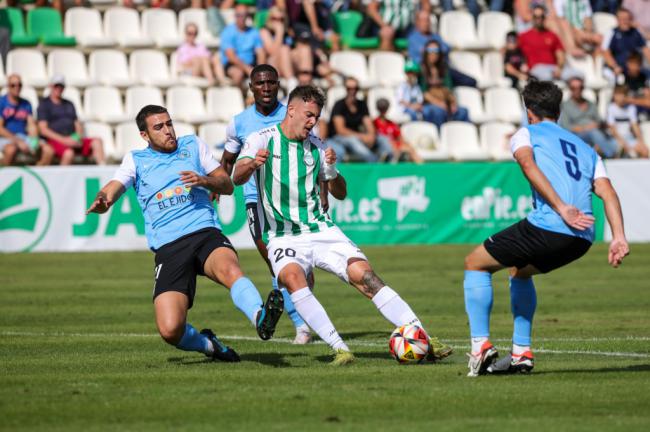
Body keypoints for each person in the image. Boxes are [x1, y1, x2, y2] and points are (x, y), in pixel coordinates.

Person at [232, 84, 452, 365]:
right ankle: (340, 349)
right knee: (292, 278)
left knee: (366, 276)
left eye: (317, 117)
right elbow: (236, 178)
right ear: (291, 110)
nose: (313, 122)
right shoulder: (261, 140)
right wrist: (251, 165)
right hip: (283, 236)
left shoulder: (318, 147)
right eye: (309, 115)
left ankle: (423, 337)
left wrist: (333, 171)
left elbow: (340, 192)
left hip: (321, 230)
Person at [86, 105, 285, 362]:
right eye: (159, 127)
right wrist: (105, 199)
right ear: (144, 135)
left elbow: (226, 184)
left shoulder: (192, 146)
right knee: (170, 330)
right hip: (169, 247)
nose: (168, 130)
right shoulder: (136, 160)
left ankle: (261, 318)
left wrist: (205, 181)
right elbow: (114, 186)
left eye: (169, 123)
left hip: (204, 232)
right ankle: (209, 345)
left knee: (230, 270)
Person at [462, 80, 629, 377]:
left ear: (529, 111)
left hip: (551, 225)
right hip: (582, 238)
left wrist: (561, 207)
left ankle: (480, 346)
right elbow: (608, 192)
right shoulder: (585, 148)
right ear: (559, 110)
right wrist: (618, 237)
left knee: (475, 263)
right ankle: (521, 354)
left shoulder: (526, 133)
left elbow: (527, 165)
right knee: (520, 272)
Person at [220, 64, 312, 345]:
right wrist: (218, 185)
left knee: (298, 265)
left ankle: (303, 317)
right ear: (251, 87)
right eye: (260, 83)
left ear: (278, 84)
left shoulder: (291, 115)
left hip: (288, 198)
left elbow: (312, 152)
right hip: (255, 199)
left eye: (271, 82)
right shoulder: (238, 123)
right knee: (274, 260)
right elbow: (227, 160)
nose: (266, 88)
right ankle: (301, 325)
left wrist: (322, 193)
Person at [37, 75, 105, 165]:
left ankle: (103, 173)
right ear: (51, 86)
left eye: (61, 86)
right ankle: (62, 178)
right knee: (68, 153)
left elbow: (77, 124)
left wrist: (77, 137)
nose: (59, 88)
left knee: (97, 142)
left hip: (70, 139)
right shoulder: (44, 104)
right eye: (56, 86)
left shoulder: (69, 104)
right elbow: (44, 130)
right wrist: (65, 140)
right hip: (55, 141)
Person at [326, 77, 394, 162]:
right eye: (349, 89)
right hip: (338, 138)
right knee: (353, 141)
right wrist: (362, 136)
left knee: (383, 139)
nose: (352, 91)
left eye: (355, 88)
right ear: (345, 89)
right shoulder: (339, 105)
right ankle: (375, 162)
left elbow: (369, 124)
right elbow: (341, 130)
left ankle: (389, 162)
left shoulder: (361, 104)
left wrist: (371, 136)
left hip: (356, 136)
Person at [0, 74, 54, 166]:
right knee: (11, 150)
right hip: (6, 138)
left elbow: (31, 124)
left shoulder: (26, 103)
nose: (17, 87)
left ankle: (35, 176)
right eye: (13, 85)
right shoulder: (2, 102)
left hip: (23, 137)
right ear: (8, 87)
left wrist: (34, 140)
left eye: (19, 85)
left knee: (48, 151)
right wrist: (17, 141)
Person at [559, 76, 618, 157]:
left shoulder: (590, 103)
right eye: (573, 88)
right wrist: (586, 128)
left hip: (596, 133)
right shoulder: (565, 106)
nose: (577, 90)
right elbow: (566, 127)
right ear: (570, 89)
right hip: (577, 136)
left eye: (580, 87)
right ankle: (612, 154)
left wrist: (597, 125)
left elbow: (599, 121)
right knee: (593, 133)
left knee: (612, 137)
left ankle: (613, 150)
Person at [420, 40, 471, 129]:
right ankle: (440, 136)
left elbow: (449, 89)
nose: (433, 53)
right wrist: (438, 103)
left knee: (463, 111)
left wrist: (453, 103)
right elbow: (423, 92)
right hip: (429, 104)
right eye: (430, 50)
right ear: (426, 52)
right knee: (438, 112)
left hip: (445, 102)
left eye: (436, 50)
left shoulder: (444, 69)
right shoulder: (421, 70)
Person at [518, 5, 577, 81]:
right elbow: (515, 54)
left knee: (578, 76)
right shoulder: (523, 36)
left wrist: (559, 68)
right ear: (532, 17)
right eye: (536, 16)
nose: (538, 19)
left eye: (541, 16)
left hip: (553, 69)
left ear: (544, 18)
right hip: (536, 69)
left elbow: (561, 56)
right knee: (545, 77)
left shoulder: (552, 35)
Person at [219, 3, 266, 86]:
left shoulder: (254, 31)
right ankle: (237, 96)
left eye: (243, 15)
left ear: (247, 16)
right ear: (235, 16)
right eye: (238, 15)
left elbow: (261, 53)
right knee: (238, 74)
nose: (241, 18)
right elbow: (231, 56)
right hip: (233, 64)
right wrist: (248, 69)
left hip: (251, 64)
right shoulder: (228, 31)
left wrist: (259, 70)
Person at [601, 8, 650, 82]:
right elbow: (605, 52)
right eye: (623, 19)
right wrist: (615, 67)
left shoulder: (636, 32)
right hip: (616, 69)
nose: (626, 21)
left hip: (634, 69)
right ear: (617, 20)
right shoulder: (611, 32)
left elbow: (646, 50)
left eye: (628, 19)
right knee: (619, 80)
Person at [366, 0, 430, 51]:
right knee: (387, 33)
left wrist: (421, 19)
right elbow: (371, 9)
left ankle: (418, 64)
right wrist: (384, 25)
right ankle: (386, 64)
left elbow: (426, 4)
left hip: (408, 27)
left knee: (423, 33)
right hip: (385, 25)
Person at [373, 98, 423, 163]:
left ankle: (421, 168)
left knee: (409, 148)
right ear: (378, 108)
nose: (383, 110)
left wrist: (406, 145)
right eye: (381, 108)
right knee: (394, 149)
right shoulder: (374, 123)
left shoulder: (392, 124)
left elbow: (400, 138)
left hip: (396, 146)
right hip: (384, 148)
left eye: (385, 107)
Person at [607, 84, 648, 158]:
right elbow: (612, 129)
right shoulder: (611, 108)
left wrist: (641, 141)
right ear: (614, 96)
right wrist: (623, 143)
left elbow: (635, 126)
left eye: (623, 95)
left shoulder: (631, 108)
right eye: (618, 95)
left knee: (645, 151)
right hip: (615, 139)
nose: (621, 98)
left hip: (629, 138)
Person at [623, 52, 650, 120]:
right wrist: (640, 101)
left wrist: (632, 100)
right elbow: (621, 99)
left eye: (635, 64)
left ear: (640, 65)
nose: (632, 66)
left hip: (642, 112)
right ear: (627, 63)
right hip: (626, 111)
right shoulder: (622, 76)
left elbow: (648, 102)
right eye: (631, 63)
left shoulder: (644, 77)